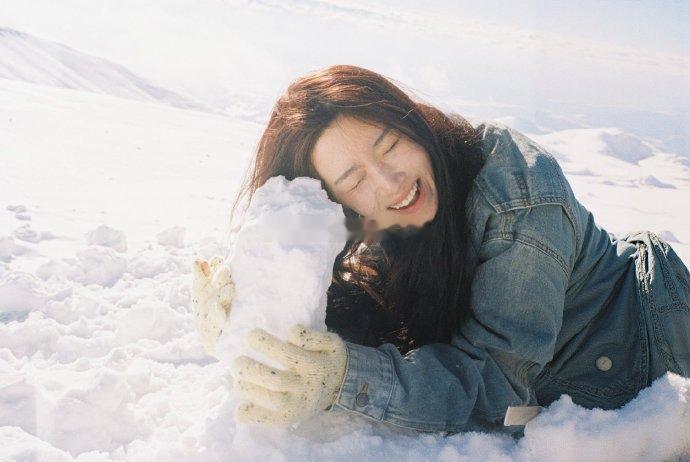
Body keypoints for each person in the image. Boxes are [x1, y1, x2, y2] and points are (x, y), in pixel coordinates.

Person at [191, 64, 690, 435]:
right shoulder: (391, 220)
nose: (390, 182)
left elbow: (495, 392)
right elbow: (379, 314)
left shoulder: (519, 200)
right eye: (354, 180)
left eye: (390, 145)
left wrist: (343, 378)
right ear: (333, 204)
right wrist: (257, 314)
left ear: (412, 122)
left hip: (650, 334)